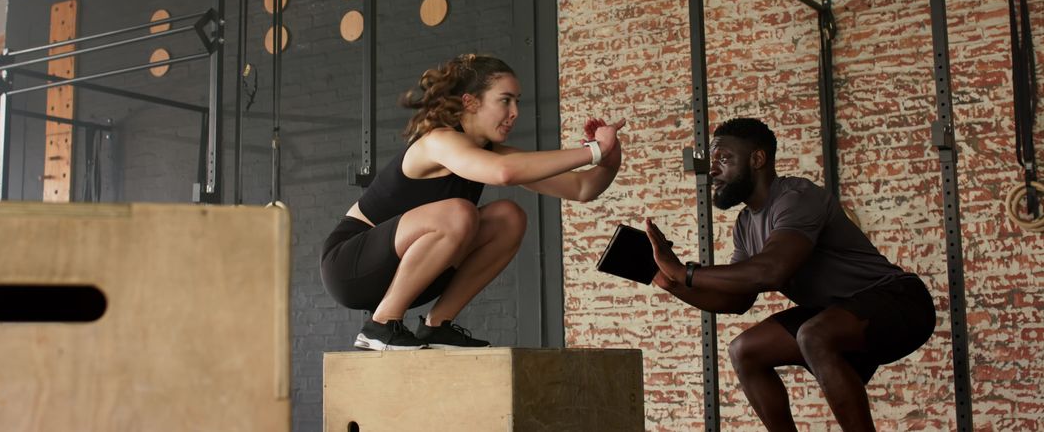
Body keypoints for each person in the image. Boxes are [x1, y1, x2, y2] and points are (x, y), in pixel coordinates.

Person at [645, 117, 935, 432]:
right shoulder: (745, 223)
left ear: (757, 159)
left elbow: (771, 270)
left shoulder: (796, 197)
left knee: (813, 334)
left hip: (899, 302)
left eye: (724, 158)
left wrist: (685, 271)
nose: (713, 170)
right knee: (745, 351)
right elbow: (737, 299)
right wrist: (672, 282)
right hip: (835, 312)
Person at [322, 53, 625, 351]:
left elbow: (582, 188)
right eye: (505, 100)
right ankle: (380, 327)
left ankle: (436, 326)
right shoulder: (438, 141)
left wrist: (610, 158)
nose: (515, 112)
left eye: (517, 101)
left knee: (509, 217)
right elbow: (504, 173)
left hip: (408, 271)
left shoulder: (491, 152)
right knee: (459, 213)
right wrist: (594, 150)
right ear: (470, 102)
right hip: (351, 266)